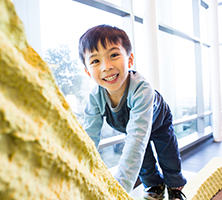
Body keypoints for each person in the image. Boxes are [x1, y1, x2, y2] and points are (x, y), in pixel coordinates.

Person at [78, 24, 187, 200]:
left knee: (168, 155)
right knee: (144, 161)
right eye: (95, 61)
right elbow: (88, 139)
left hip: (159, 121)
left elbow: (136, 141)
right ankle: (154, 185)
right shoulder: (95, 98)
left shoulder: (141, 90)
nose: (106, 66)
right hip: (132, 127)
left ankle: (175, 187)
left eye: (114, 55)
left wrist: (118, 190)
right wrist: (79, 173)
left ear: (129, 60)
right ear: (87, 72)